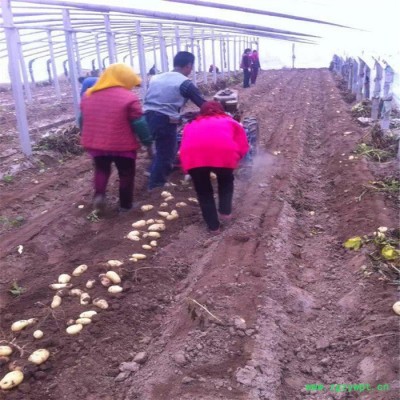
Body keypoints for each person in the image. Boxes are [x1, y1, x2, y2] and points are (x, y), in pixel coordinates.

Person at [80, 63, 152, 213]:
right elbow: (139, 123)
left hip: (97, 144)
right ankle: (125, 206)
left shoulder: (88, 95)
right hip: (122, 145)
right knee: (126, 174)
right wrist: (147, 142)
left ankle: (99, 195)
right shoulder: (128, 97)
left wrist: (86, 134)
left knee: (101, 170)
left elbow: (82, 119)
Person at [179, 101, 249, 233]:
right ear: (221, 110)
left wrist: (186, 166)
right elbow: (243, 144)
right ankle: (225, 213)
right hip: (224, 154)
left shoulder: (191, 124)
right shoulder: (230, 121)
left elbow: (184, 145)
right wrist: (238, 158)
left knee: (204, 192)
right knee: (226, 181)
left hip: (194, 157)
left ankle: (213, 227)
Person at [143, 51, 206, 190]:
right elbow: (203, 104)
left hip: (147, 116)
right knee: (167, 154)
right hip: (164, 120)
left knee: (160, 148)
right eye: (191, 67)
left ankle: (151, 170)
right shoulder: (185, 83)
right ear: (189, 65)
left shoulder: (156, 77)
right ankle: (155, 187)